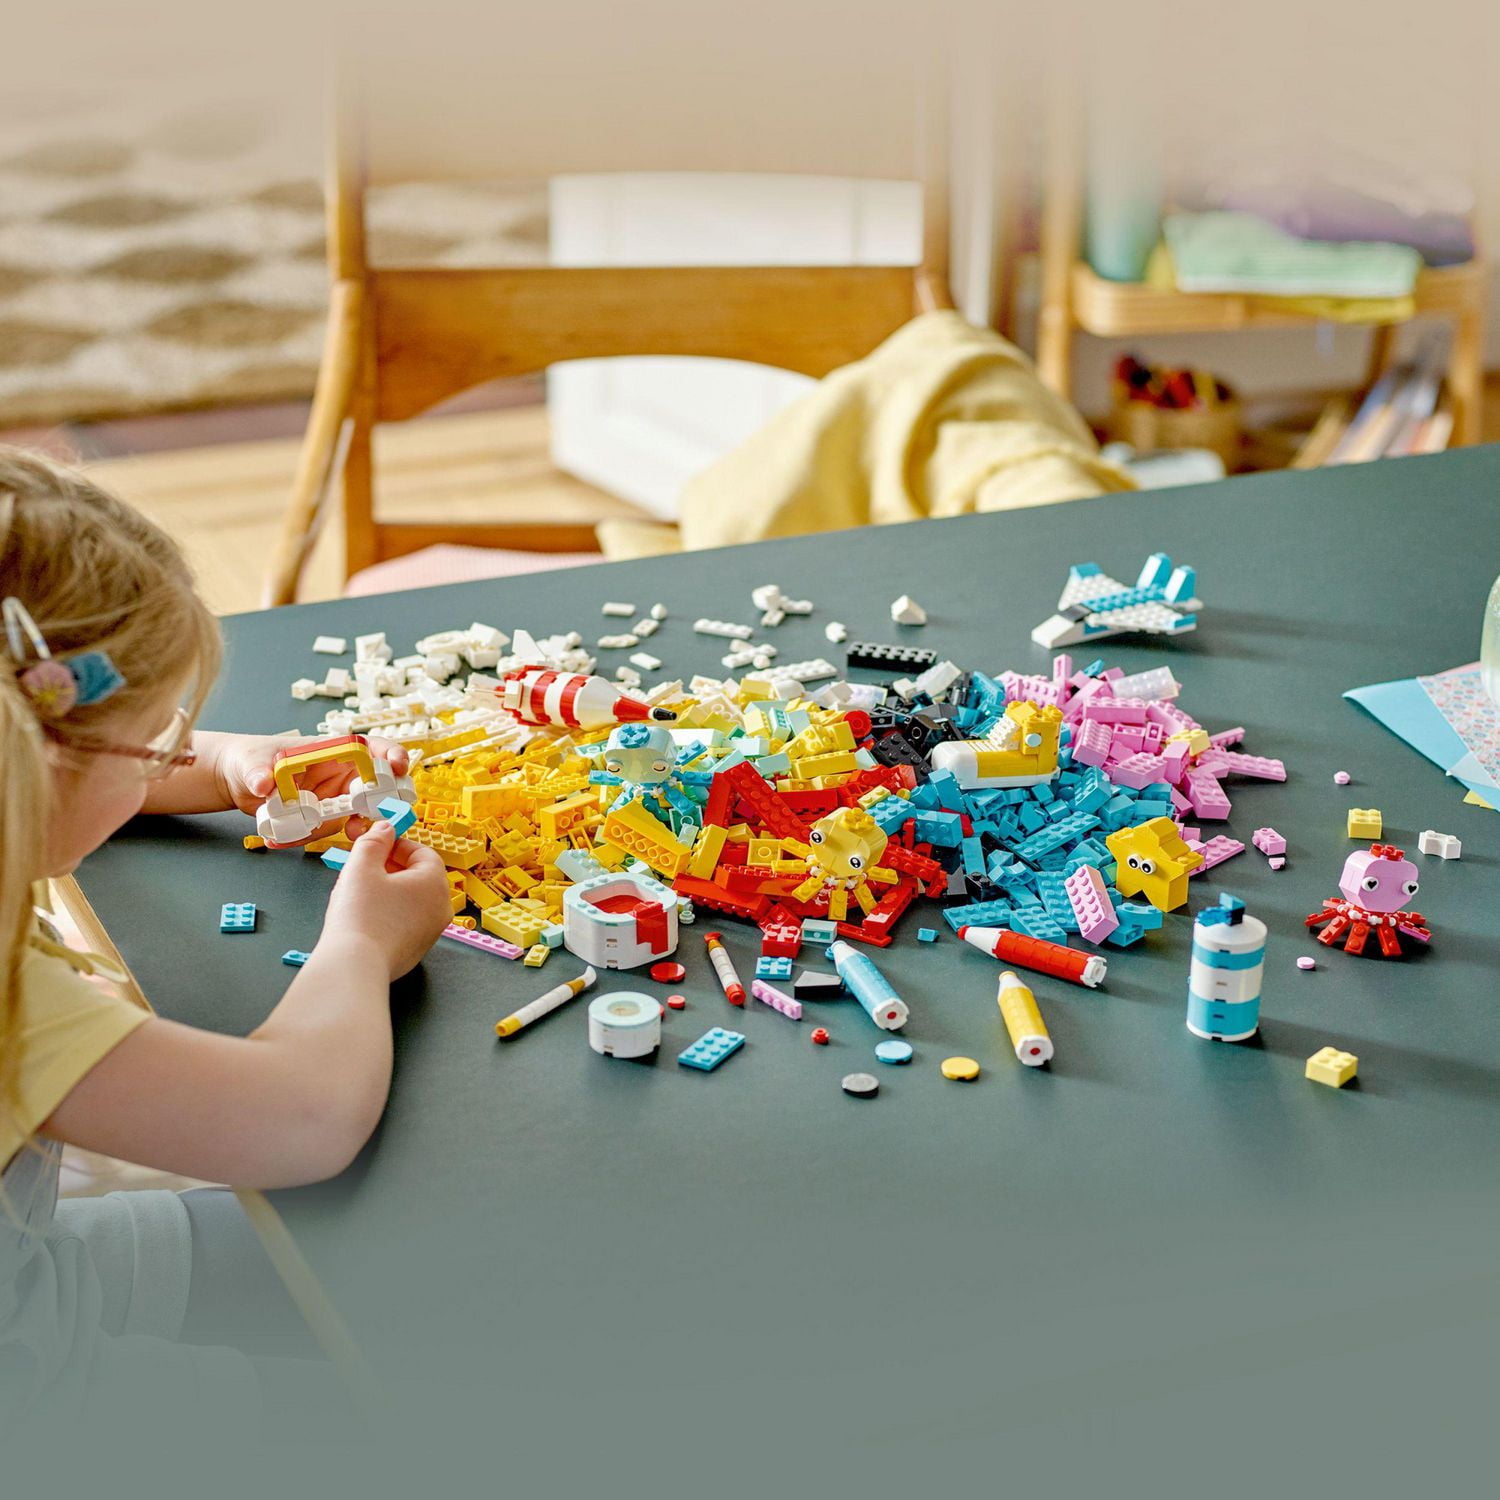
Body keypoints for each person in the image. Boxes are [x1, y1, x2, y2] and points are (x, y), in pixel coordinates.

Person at [0, 448, 452, 1441]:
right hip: (33, 1405)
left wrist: (230, 762)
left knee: (401, 1266)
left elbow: (79, 742)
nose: (175, 755)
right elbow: (302, 1119)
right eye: (162, 740)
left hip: (34, 1273)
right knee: (403, 1430)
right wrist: (364, 945)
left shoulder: (24, 771)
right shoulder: (11, 1004)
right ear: (47, 765)